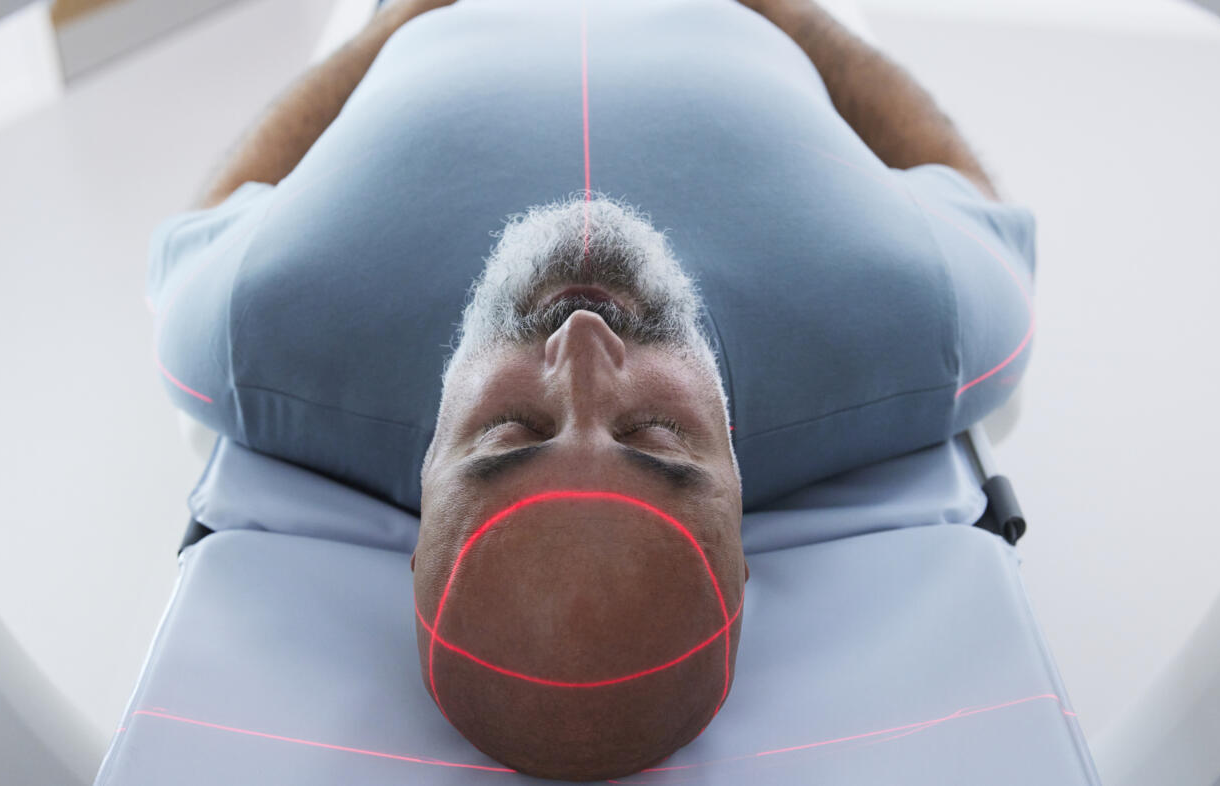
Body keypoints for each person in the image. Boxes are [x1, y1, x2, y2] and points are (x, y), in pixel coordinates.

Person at [146, 0, 1036, 779]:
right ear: (739, 520)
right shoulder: (919, 323)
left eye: (508, 432)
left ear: (421, 527)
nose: (580, 345)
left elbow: (205, 225)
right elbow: (978, 207)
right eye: (652, 434)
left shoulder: (258, 332)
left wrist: (401, 22)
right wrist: (789, 17)